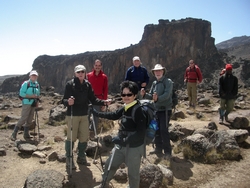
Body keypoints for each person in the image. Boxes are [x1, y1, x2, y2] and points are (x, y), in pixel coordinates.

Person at [92, 80, 147, 188]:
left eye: (129, 94)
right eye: (123, 94)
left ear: (135, 95)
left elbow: (141, 133)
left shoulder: (139, 110)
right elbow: (114, 115)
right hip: (121, 144)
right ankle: (104, 184)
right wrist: (97, 113)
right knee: (109, 165)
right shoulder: (125, 107)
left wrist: (124, 140)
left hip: (134, 147)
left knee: (133, 173)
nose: (126, 97)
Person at [62, 65, 111, 169]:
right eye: (78, 72)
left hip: (84, 114)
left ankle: (81, 157)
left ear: (85, 73)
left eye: (82, 72)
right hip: (73, 115)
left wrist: (104, 102)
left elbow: (93, 99)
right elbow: (64, 100)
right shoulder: (70, 84)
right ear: (75, 73)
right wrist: (68, 102)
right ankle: (69, 158)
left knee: (84, 137)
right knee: (71, 137)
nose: (80, 73)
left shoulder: (87, 85)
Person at [140, 64, 173, 159]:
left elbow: (167, 95)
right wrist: (144, 95)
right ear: (154, 73)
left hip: (165, 109)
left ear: (163, 71)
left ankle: (168, 152)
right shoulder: (154, 83)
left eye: (159, 71)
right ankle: (158, 148)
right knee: (156, 129)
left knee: (163, 130)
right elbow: (151, 96)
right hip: (156, 110)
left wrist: (157, 99)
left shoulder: (168, 82)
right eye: (156, 71)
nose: (158, 72)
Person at [10, 70, 41, 141]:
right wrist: (31, 96)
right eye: (33, 75)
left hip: (33, 103)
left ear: (37, 77)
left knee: (30, 118)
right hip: (26, 103)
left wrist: (37, 101)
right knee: (24, 118)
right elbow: (21, 93)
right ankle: (14, 133)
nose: (34, 77)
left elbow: (38, 94)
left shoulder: (37, 84)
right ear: (30, 76)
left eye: (35, 76)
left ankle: (26, 133)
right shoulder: (26, 83)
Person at [87, 59, 108, 133]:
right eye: (96, 65)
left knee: (96, 116)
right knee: (87, 115)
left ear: (101, 66)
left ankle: (93, 132)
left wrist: (104, 102)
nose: (97, 67)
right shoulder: (88, 75)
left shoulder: (104, 77)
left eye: (99, 65)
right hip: (89, 99)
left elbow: (105, 90)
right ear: (93, 66)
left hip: (98, 99)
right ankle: (85, 132)